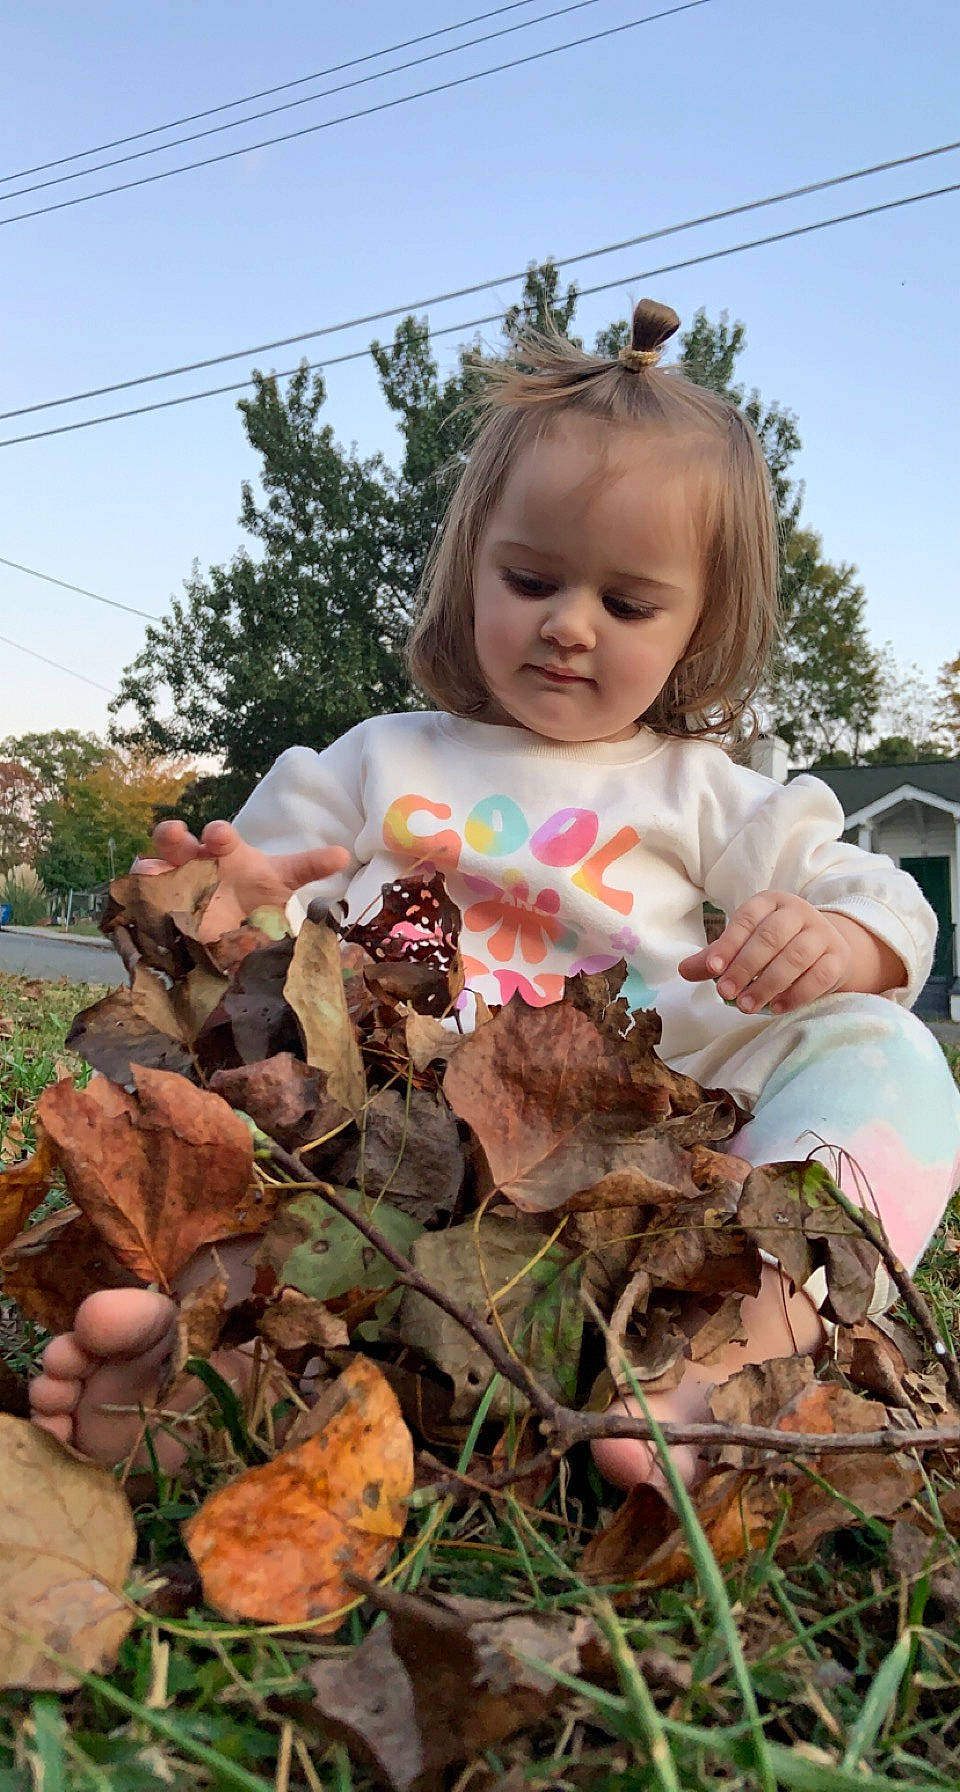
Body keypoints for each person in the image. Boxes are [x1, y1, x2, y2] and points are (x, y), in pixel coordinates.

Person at [30, 300, 960, 1490]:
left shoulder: (713, 793)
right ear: (473, 565)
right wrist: (224, 898)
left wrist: (834, 935)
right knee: (225, 1107)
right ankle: (200, 1363)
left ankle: (727, 1360)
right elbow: (246, 924)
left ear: (696, 629)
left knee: (891, 1055)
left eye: (627, 605)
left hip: (645, 1179)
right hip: (381, 1160)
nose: (570, 625)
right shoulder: (375, 761)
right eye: (530, 578)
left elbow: (888, 899)